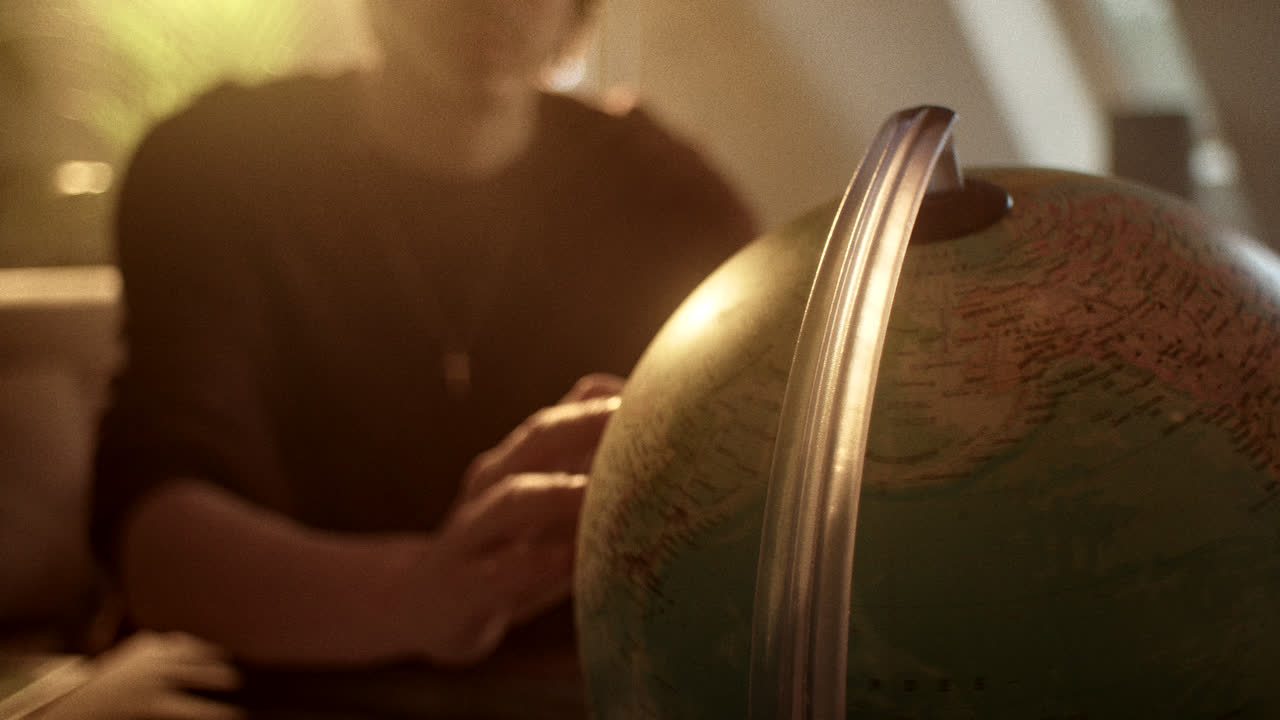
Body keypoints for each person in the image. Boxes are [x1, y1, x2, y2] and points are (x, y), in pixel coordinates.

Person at [89, 0, 755, 675]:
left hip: (569, 681)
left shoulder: (666, 195)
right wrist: (421, 594)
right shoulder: (216, 163)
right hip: (260, 677)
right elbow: (157, 540)